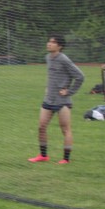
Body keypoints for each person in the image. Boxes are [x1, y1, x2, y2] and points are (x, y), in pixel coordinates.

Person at [28, 34, 85, 164]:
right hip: (48, 99)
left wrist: (69, 91)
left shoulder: (64, 59)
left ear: (60, 46)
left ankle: (66, 159)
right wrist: (48, 87)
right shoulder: (48, 57)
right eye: (49, 41)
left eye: (53, 42)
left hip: (62, 101)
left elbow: (80, 76)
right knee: (41, 127)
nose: (49, 44)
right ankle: (43, 156)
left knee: (65, 129)